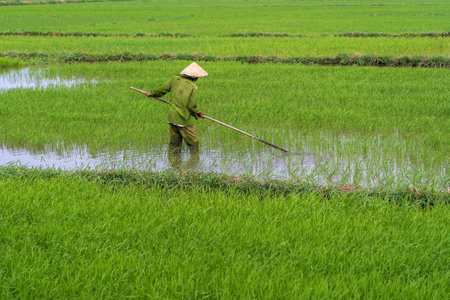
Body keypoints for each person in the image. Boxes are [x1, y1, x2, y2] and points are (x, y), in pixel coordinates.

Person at [144, 62, 208, 169]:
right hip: (183, 118)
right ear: (195, 77)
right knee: (194, 142)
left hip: (172, 116)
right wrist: (198, 113)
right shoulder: (193, 87)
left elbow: (162, 90)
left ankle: (174, 167)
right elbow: (192, 106)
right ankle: (194, 164)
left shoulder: (174, 79)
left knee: (174, 144)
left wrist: (151, 93)